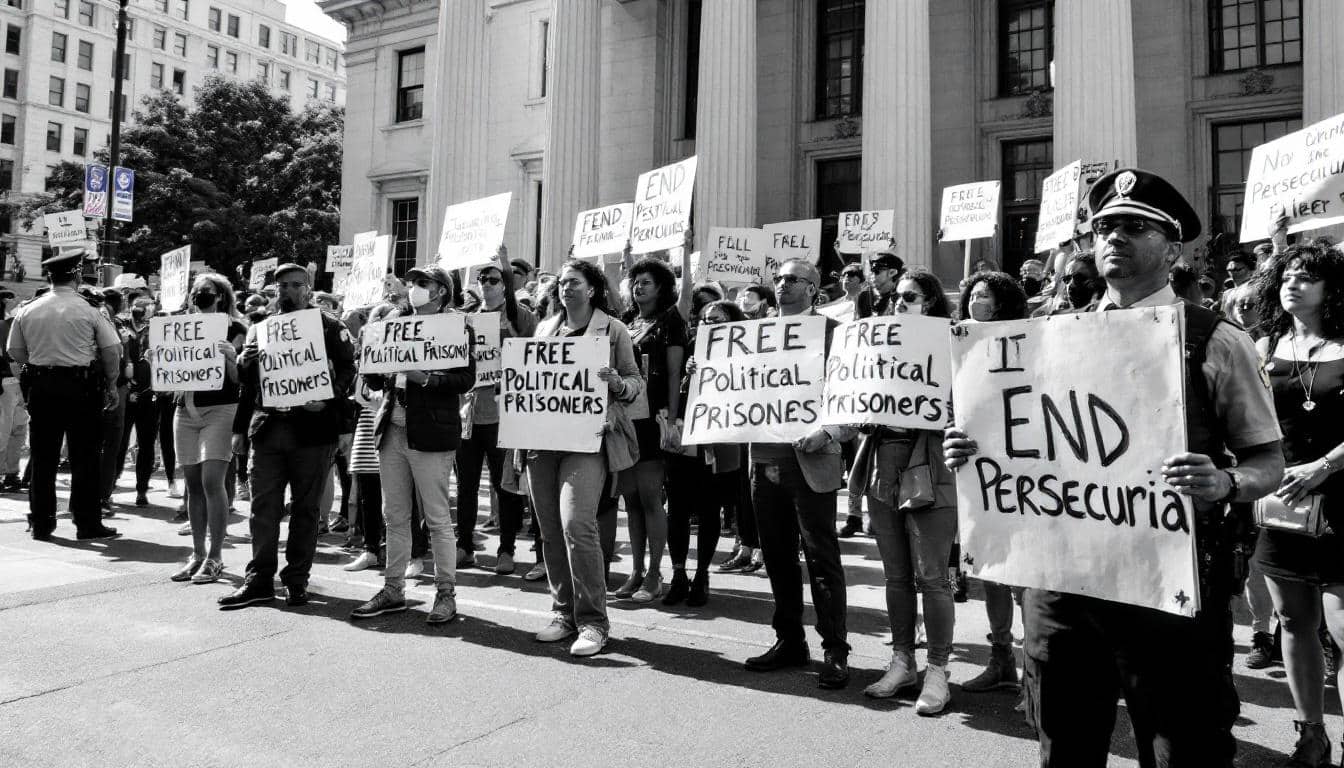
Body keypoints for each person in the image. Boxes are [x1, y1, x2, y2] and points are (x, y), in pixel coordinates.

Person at [945, 168, 1284, 767]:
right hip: (1062, 582)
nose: (1114, 238)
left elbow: (1268, 461)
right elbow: (1020, 438)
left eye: (1134, 227)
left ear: (1172, 247)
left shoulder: (1216, 340)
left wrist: (1226, 482)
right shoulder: (1046, 336)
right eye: (1103, 228)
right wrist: (972, 451)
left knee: (1184, 745)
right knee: (1065, 744)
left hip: (1167, 586)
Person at [1247, 243, 1344, 765]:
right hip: (1282, 504)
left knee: (1343, 627)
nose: (1294, 282)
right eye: (1287, 273)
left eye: (1307, 276)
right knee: (1292, 623)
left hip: (1341, 499)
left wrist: (1324, 465)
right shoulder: (1264, 344)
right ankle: (1312, 735)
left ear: (1331, 289)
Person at [743, 258, 856, 689]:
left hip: (812, 458)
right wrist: (705, 379)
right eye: (779, 278)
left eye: (794, 279)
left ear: (813, 289)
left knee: (821, 558)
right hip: (763, 459)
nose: (783, 284)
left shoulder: (833, 333)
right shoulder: (752, 333)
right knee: (776, 557)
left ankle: (835, 650)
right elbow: (733, 385)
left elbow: (852, 392)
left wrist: (828, 432)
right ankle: (789, 640)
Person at [219, 262, 356, 610]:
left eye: (296, 285)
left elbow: (347, 372)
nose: (288, 292)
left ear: (308, 288)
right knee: (263, 507)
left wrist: (327, 400)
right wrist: (245, 362)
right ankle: (259, 579)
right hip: (269, 430)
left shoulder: (329, 327)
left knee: (306, 510)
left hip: (313, 431)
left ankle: (297, 579)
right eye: (282, 286)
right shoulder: (261, 328)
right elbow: (247, 386)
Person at [851, 270, 958, 714]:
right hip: (884, 461)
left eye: (910, 297)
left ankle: (937, 670)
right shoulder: (876, 344)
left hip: (930, 461)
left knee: (931, 575)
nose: (898, 303)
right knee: (895, 575)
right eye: (894, 297)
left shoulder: (952, 343)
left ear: (931, 301)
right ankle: (902, 660)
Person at [529, 258, 643, 657]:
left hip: (589, 441)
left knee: (578, 525)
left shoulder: (613, 330)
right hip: (542, 443)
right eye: (561, 282)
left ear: (593, 288)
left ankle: (594, 621)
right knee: (549, 531)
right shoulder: (544, 329)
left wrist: (617, 383)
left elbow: (635, 383)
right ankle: (563, 613)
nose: (566, 288)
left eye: (574, 282)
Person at [350, 265, 476, 624]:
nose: (414, 288)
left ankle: (445, 593)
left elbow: (466, 378)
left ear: (440, 291)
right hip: (392, 429)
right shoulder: (394, 322)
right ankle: (393, 589)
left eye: (423, 283)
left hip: (431, 433)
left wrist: (427, 378)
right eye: (412, 282)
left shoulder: (456, 327)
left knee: (436, 518)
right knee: (395, 514)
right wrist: (369, 355)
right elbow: (374, 374)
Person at [951, 271, 1032, 696]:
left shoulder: (1028, 339)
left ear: (1003, 303)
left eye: (983, 295)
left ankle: (1033, 672)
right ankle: (1000, 657)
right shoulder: (960, 343)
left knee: (1026, 577)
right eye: (971, 295)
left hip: (1022, 469)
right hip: (978, 469)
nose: (974, 302)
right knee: (991, 571)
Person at [7, 249, 121, 541]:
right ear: (77, 275)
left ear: (49, 277)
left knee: (43, 457)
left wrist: (33, 368)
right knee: (85, 456)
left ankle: (42, 523)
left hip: (42, 387)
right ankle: (86, 522)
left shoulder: (28, 308)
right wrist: (111, 383)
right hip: (81, 387)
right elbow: (111, 351)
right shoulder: (89, 308)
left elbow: (14, 351)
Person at [456, 255, 538, 574]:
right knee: (466, 485)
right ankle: (464, 545)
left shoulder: (520, 317)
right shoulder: (467, 319)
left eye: (494, 279)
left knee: (505, 486)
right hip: (470, 414)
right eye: (482, 279)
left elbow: (532, 352)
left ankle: (506, 548)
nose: (487, 284)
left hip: (504, 415)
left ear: (505, 285)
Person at [616, 257, 687, 604]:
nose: (638, 287)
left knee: (649, 497)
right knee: (630, 501)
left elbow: (674, 374)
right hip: (625, 419)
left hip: (653, 420)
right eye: (635, 281)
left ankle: (656, 573)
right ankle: (635, 570)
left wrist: (672, 419)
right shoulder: (627, 321)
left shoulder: (671, 321)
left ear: (661, 287)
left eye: (646, 281)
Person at [169, 274, 247, 584]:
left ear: (222, 296)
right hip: (185, 410)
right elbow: (171, 376)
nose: (201, 295)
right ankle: (198, 554)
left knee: (212, 481)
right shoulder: (179, 328)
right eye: (197, 291)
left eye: (208, 291)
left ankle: (216, 556)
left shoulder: (236, 329)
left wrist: (230, 356)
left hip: (220, 410)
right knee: (193, 485)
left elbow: (240, 379)